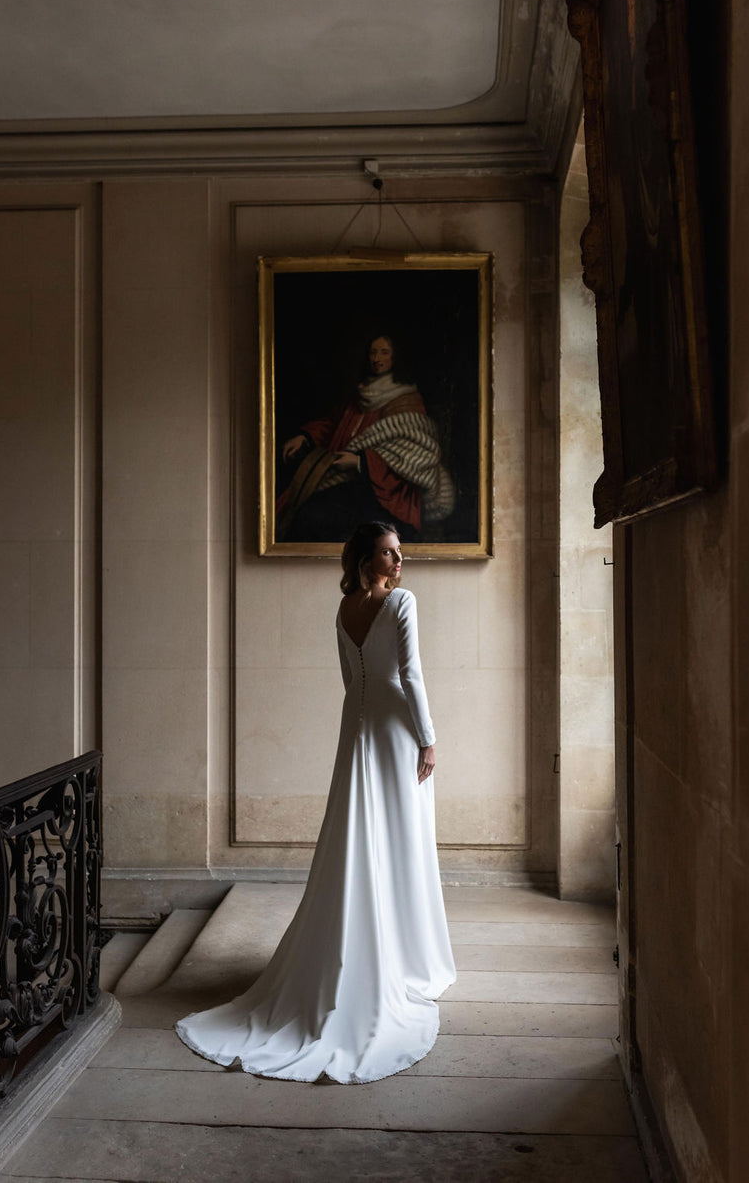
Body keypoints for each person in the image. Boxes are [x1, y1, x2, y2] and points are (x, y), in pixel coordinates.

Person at [175, 522, 456, 1083]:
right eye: (388, 552)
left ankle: (380, 949)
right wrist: (427, 738)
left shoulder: (344, 609)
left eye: (400, 552)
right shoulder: (401, 602)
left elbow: (350, 682)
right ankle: (400, 959)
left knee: (361, 838)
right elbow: (411, 674)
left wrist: (366, 719)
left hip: (356, 732)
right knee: (401, 843)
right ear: (365, 559)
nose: (400, 561)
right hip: (396, 730)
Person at [276, 334, 455, 542]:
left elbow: (413, 455)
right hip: (343, 482)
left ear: (395, 358)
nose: (376, 358)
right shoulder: (360, 395)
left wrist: (361, 462)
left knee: (315, 517)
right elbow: (334, 425)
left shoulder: (406, 401)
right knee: (304, 515)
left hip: (386, 495)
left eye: (384, 352)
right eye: (373, 352)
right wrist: (305, 436)